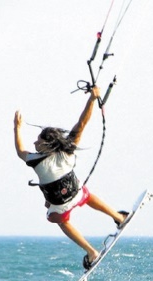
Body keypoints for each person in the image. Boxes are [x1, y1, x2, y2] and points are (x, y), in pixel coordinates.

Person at [14, 86, 128, 269]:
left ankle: (91, 252)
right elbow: (82, 123)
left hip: (59, 205)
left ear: (46, 143)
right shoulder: (68, 150)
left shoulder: (35, 160)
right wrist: (92, 99)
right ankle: (119, 218)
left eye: (38, 140)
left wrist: (16, 128)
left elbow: (20, 150)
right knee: (87, 195)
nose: (34, 143)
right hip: (76, 193)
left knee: (60, 221)